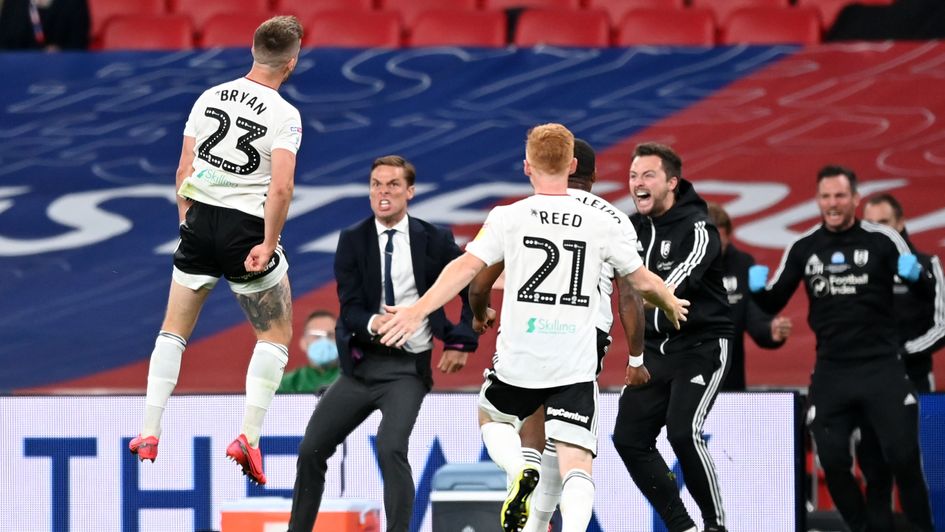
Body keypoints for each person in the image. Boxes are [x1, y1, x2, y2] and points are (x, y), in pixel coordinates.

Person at [377, 124, 689, 532]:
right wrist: (668, 300)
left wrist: (417, 310)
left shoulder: (508, 217)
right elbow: (639, 282)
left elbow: (467, 269)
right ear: (572, 165)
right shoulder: (605, 221)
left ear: (527, 166)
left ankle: (519, 469)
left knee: (493, 418)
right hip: (575, 356)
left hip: (521, 351)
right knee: (577, 461)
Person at [128, 15, 304, 487]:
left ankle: (149, 430)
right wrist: (268, 242)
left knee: (172, 330)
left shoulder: (209, 96)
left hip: (200, 217)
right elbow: (281, 187)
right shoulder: (285, 115)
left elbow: (184, 167)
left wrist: (186, 218)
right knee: (274, 334)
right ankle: (249, 436)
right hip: (245, 228)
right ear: (291, 63)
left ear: (252, 49)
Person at [287, 155, 479, 532]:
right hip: (361, 368)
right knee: (311, 449)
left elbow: (470, 287)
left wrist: (461, 342)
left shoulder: (435, 239)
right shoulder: (353, 240)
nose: (383, 192)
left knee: (390, 447)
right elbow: (350, 308)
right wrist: (376, 323)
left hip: (407, 370)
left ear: (410, 192)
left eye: (392, 184)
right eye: (376, 184)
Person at [467, 138, 648, 532]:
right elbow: (631, 295)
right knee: (572, 447)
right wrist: (636, 358)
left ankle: (521, 475)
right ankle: (548, 524)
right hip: (584, 335)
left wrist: (479, 314)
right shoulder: (614, 219)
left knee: (512, 421)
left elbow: (478, 282)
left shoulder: (521, 212)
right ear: (591, 173)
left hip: (530, 328)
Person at [749, 166, 934, 532]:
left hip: (882, 367)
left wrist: (918, 277)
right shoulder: (803, 247)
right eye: (826, 197)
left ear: (855, 199)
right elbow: (773, 301)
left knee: (903, 457)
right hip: (832, 371)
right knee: (832, 461)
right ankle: (862, 528)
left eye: (840, 196)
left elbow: (925, 294)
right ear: (818, 200)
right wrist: (757, 292)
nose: (832, 204)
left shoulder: (883, 239)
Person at [613, 142, 734, 532]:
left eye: (648, 175)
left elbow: (674, 286)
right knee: (628, 438)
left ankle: (715, 525)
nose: (638, 183)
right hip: (653, 350)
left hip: (701, 346)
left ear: (672, 182)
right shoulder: (628, 228)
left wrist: (647, 296)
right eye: (633, 176)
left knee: (683, 432)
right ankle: (682, 526)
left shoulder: (699, 228)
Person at [853, 192, 944, 531]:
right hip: (868, 384)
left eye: (885, 223)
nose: (878, 230)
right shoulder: (854, 268)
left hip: (912, 381)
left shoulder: (925, 264)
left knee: (913, 470)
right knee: (875, 474)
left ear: (902, 223)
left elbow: (943, 326)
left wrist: (902, 354)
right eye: (870, 224)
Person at [706, 202, 792, 391]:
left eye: (719, 243)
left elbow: (754, 314)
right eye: (708, 243)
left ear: (729, 236)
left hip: (729, 380)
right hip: (684, 376)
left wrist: (771, 330)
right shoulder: (678, 266)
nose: (713, 251)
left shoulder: (742, 264)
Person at [277, 310, 340, 394]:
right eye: (317, 336)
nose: (324, 341)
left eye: (331, 335)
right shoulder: (286, 384)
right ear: (303, 343)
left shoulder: (352, 381)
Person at [0, 0, 90, 50]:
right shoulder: (13, 3)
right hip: (19, 69)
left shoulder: (75, 3)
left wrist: (61, 52)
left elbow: (79, 44)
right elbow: (4, 44)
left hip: (61, 69)